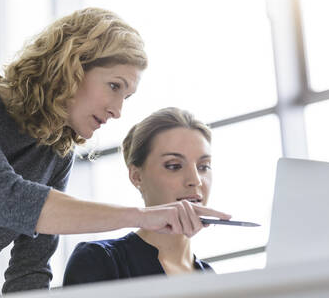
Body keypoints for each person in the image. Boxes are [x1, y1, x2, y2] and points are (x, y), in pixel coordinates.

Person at [0, 8, 230, 298]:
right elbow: (6, 198)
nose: (117, 111)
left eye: (126, 97)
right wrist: (144, 216)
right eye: (114, 86)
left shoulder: (55, 155)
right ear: (72, 64)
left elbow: (29, 271)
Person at [63, 107, 218, 285]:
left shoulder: (210, 278)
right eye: (174, 166)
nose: (195, 180)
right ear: (137, 177)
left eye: (203, 166)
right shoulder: (100, 261)